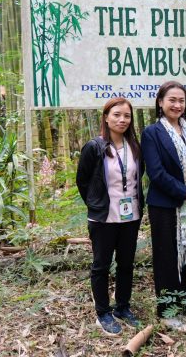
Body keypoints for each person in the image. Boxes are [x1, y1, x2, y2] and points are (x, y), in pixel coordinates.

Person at [141, 81, 186, 328]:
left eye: (181, 100)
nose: (177, 105)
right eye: (172, 100)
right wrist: (184, 192)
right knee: (167, 256)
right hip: (165, 205)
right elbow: (155, 172)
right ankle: (169, 311)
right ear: (160, 102)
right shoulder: (152, 133)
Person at [76, 98, 144, 335]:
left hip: (130, 217)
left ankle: (122, 307)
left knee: (126, 264)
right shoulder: (94, 147)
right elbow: (83, 181)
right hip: (103, 219)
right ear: (106, 117)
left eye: (126, 115)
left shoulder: (134, 146)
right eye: (116, 115)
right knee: (101, 266)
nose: (122, 120)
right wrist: (96, 205)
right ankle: (103, 312)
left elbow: (137, 179)